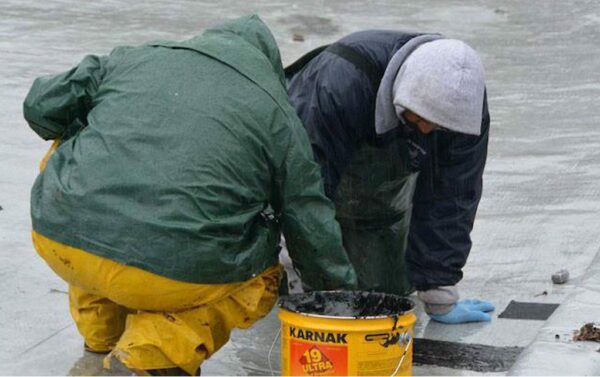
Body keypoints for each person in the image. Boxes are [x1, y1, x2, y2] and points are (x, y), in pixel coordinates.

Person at [23, 15, 357, 375]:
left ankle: (101, 336)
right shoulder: (277, 113)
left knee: (86, 166)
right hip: (171, 270)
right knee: (264, 280)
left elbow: (41, 104)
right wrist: (335, 294)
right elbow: (307, 216)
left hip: (59, 234)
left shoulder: (130, 58)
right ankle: (152, 355)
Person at [286, 30, 494, 324]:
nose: (424, 130)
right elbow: (302, 194)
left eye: (437, 126)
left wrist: (439, 292)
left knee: (389, 293)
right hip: (309, 170)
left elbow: (452, 196)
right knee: (316, 290)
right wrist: (310, 277)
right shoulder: (340, 85)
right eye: (419, 118)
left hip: (373, 196)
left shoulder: (465, 108)